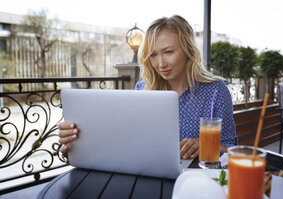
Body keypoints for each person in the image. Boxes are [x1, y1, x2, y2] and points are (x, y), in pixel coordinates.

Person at [58, 15, 237, 160]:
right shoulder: (144, 88)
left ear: (188, 50)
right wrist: (77, 142)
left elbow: (231, 149)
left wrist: (204, 145)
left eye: (168, 52)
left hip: (196, 180)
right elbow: (128, 140)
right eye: (152, 55)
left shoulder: (216, 91)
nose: (160, 64)